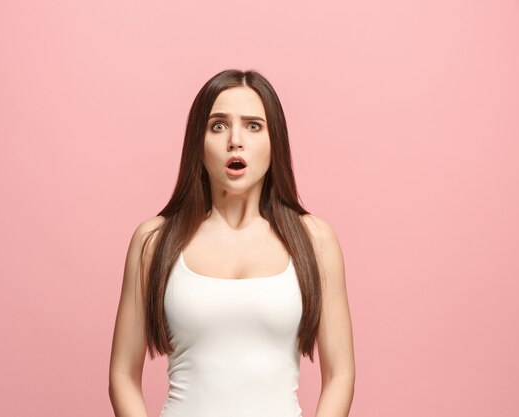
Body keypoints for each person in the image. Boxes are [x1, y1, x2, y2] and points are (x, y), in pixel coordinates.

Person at [108, 69, 355, 417]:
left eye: (253, 126)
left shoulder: (316, 241)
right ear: (199, 142)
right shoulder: (153, 241)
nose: (235, 140)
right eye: (218, 125)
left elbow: (340, 375)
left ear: (275, 141)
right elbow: (122, 374)